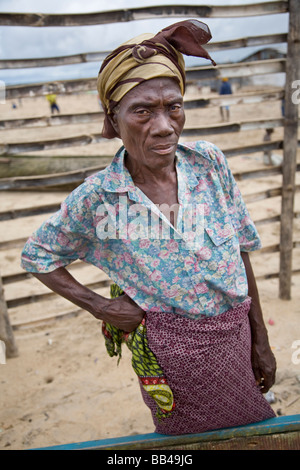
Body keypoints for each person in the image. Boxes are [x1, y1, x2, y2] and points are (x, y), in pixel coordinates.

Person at [21, 20, 276, 436]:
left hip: (237, 336)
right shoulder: (100, 197)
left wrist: (260, 341)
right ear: (113, 117)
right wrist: (101, 307)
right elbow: (37, 255)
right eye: (142, 111)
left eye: (173, 106)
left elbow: (241, 251)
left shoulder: (209, 163)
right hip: (174, 357)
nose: (164, 125)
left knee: (255, 429)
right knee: (187, 443)